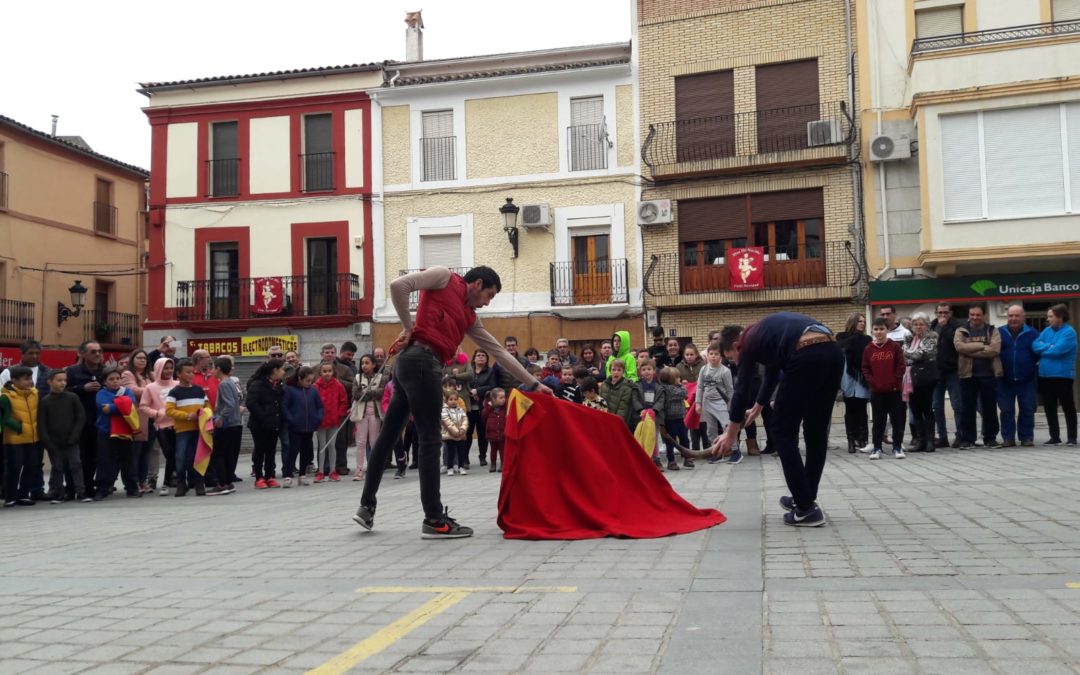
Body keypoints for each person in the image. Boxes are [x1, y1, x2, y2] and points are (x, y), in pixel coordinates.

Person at [353, 265, 550, 540]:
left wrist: (534, 384)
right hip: (423, 363)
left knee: (387, 436)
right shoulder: (444, 277)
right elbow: (399, 286)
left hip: (409, 364)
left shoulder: (470, 318)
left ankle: (366, 507)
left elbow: (499, 352)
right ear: (477, 284)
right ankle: (434, 520)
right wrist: (408, 327)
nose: (487, 303)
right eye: (489, 295)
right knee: (430, 440)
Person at [712, 313, 844, 528]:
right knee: (816, 430)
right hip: (833, 353)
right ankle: (805, 497)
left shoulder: (747, 341)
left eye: (731, 358)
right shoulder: (764, 333)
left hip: (806, 356)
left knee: (781, 431)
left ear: (736, 345)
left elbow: (741, 390)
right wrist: (758, 406)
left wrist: (730, 434)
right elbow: (772, 373)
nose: (735, 363)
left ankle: (806, 508)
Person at [955, 304, 1002, 449]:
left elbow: (994, 350)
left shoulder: (992, 330)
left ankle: (990, 438)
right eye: (972, 314)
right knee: (967, 409)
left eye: (978, 315)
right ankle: (967, 439)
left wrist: (970, 350)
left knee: (990, 409)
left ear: (984, 315)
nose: (975, 317)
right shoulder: (961, 331)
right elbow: (960, 347)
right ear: (969, 315)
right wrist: (982, 345)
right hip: (967, 375)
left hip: (988, 375)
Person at [39, 370, 89, 503]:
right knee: (57, 467)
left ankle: (81, 492)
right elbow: (42, 424)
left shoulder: (72, 397)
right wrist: (48, 442)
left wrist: (74, 437)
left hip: (72, 441)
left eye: (64, 380)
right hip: (54, 442)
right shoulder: (45, 401)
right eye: (59, 380)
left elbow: (81, 417)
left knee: (76, 465)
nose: (63, 383)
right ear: (50, 382)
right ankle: (58, 493)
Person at [94, 367, 142, 500]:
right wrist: (122, 404)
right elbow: (104, 408)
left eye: (118, 378)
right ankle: (102, 489)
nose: (115, 381)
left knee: (128, 460)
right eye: (111, 379)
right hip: (106, 431)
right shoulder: (101, 394)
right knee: (105, 461)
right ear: (104, 382)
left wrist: (113, 406)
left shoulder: (127, 391)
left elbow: (130, 405)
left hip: (125, 431)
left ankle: (132, 488)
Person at [165, 359, 211, 497]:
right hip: (182, 431)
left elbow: (207, 406)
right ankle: (181, 483)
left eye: (192, 372)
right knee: (181, 457)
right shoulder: (174, 392)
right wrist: (187, 416)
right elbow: (169, 410)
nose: (191, 375)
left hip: (199, 430)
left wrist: (206, 416)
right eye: (187, 372)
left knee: (197, 457)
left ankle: (199, 483)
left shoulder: (199, 390)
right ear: (178, 374)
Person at [1033, 303, 1078, 445]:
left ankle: (1071, 437)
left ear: (1060, 317)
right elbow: (1034, 345)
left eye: (1051, 316)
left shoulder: (1069, 332)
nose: (1048, 319)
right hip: (1045, 375)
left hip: (1062, 375)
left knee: (1067, 406)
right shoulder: (1047, 330)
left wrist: (1043, 349)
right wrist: (1048, 346)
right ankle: (1054, 436)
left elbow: (1057, 351)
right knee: (1049, 406)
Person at [863, 318, 907, 460]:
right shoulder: (868, 349)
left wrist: (894, 380)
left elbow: (901, 366)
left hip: (894, 390)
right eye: (876, 329)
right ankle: (877, 448)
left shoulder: (894, 347)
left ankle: (897, 447)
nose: (879, 332)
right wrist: (872, 382)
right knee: (878, 421)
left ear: (887, 330)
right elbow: (865, 368)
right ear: (872, 331)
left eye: (881, 329)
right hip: (877, 392)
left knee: (897, 420)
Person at [66, 340, 104, 502]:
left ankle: (88, 487)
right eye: (93, 351)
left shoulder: (104, 371)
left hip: (98, 420)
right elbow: (63, 390)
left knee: (93, 457)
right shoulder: (72, 371)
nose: (97, 354)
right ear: (82, 354)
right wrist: (82, 388)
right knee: (75, 458)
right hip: (77, 422)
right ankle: (70, 489)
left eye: (99, 351)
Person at [997, 304, 1038, 448]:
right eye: (1010, 316)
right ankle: (1008, 438)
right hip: (1004, 379)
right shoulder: (999, 332)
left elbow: (1037, 354)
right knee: (1006, 410)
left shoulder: (1032, 333)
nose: (1013, 318)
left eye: (1017, 316)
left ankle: (1026, 437)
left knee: (1027, 409)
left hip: (1026, 379)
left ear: (1023, 317)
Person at [1, 367, 41, 507]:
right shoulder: (6, 397)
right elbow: (4, 418)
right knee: (14, 468)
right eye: (26, 379)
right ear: (14, 380)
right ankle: (10, 496)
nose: (29, 382)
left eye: (30, 378)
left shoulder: (35, 394)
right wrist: (20, 428)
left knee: (31, 466)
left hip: (33, 438)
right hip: (14, 440)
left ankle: (24, 495)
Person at [140, 358, 176, 496]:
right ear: (158, 368)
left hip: (179, 424)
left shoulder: (177, 384)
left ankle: (171, 481)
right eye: (165, 368)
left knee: (178, 455)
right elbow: (143, 406)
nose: (169, 371)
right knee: (169, 454)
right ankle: (167, 482)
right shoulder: (150, 387)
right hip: (161, 426)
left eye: (171, 368)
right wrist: (156, 413)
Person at [282, 365, 323, 487]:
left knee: (305, 450)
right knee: (293, 450)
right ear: (300, 378)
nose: (309, 383)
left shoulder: (313, 390)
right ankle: (288, 475)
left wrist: (318, 418)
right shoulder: (290, 390)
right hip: (295, 426)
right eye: (307, 380)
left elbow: (320, 406)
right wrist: (291, 419)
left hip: (309, 426)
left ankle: (302, 475)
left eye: (311, 381)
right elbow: (284, 406)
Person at [903, 313, 938, 453]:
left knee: (926, 408)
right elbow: (906, 357)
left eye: (921, 324)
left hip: (926, 377)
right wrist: (908, 355)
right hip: (910, 377)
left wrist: (906, 354)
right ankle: (920, 440)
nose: (918, 327)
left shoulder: (932, 337)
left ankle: (930, 441)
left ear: (927, 325)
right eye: (916, 324)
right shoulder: (909, 338)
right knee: (915, 408)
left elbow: (921, 355)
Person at [247, 360, 285, 489]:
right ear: (275, 370)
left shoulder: (278, 385)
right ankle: (259, 477)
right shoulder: (257, 384)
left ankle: (270, 476)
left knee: (271, 450)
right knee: (260, 450)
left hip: (274, 423)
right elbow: (251, 403)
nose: (283, 372)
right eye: (281, 369)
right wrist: (263, 417)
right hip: (259, 424)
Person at [120, 349, 154, 493]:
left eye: (144, 358)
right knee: (135, 452)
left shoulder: (150, 375)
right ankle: (132, 483)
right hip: (137, 417)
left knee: (146, 452)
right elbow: (132, 390)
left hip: (151, 417)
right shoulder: (128, 374)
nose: (142, 360)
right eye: (139, 358)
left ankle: (142, 481)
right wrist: (152, 390)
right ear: (132, 359)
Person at [837, 313, 871, 454]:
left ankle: (863, 439)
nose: (862, 324)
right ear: (853, 322)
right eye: (859, 321)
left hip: (862, 376)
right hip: (848, 375)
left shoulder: (867, 339)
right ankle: (851, 441)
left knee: (862, 408)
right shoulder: (841, 337)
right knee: (850, 408)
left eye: (863, 321)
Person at [931, 302, 963, 448]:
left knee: (957, 404)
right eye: (940, 312)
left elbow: (955, 342)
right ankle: (942, 437)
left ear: (951, 313)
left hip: (953, 371)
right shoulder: (932, 325)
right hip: (937, 372)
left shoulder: (957, 326)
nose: (942, 315)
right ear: (936, 313)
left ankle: (960, 435)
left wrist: (944, 327)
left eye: (945, 312)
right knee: (937, 406)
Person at [208, 356, 241, 496]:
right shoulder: (230, 382)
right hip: (234, 423)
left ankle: (222, 483)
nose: (212, 371)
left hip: (227, 424)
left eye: (213, 368)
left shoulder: (224, 384)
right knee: (227, 454)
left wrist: (220, 417)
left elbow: (229, 404)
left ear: (219, 369)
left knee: (218, 454)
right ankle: (228, 482)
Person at [696, 341, 734, 456]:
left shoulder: (725, 371)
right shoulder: (703, 369)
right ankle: (715, 450)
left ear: (721, 356)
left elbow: (730, 390)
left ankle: (731, 449)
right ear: (707, 355)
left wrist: (730, 406)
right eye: (711, 354)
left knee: (727, 425)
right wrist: (698, 403)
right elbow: (700, 387)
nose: (713, 356)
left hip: (721, 402)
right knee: (710, 429)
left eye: (716, 354)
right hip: (707, 402)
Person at [314, 362, 348, 483]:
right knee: (322, 446)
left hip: (334, 420)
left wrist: (339, 414)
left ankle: (333, 471)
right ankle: (321, 471)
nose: (327, 373)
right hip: (321, 421)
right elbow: (313, 402)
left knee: (332, 445)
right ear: (320, 372)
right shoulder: (316, 386)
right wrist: (316, 417)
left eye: (329, 371)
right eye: (324, 371)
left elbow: (343, 401)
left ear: (333, 372)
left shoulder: (338, 385)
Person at [352, 355, 385, 480]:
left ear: (374, 364)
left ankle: (374, 469)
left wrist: (365, 393)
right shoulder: (357, 377)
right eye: (362, 363)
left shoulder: (380, 377)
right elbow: (356, 395)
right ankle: (359, 470)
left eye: (367, 363)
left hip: (375, 413)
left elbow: (381, 393)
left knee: (374, 442)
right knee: (360, 442)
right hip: (361, 413)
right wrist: (372, 393)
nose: (364, 366)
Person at [655, 366, 692, 471]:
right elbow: (684, 393)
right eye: (677, 377)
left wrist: (679, 385)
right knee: (671, 441)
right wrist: (682, 386)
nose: (679, 379)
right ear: (671, 380)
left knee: (685, 439)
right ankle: (671, 461)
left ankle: (687, 458)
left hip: (680, 418)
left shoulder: (673, 387)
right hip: (670, 420)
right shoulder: (669, 389)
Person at [465, 350, 497, 467]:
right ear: (474, 358)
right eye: (478, 355)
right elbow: (464, 384)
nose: (480, 357)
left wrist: (478, 391)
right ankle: (465, 458)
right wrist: (471, 392)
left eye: (483, 356)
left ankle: (482, 457)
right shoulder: (469, 370)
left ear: (487, 359)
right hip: (469, 406)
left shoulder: (490, 372)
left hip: (483, 407)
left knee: (482, 433)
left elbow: (492, 386)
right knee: (467, 433)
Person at [333, 341, 359, 476]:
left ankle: (341, 465)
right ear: (341, 352)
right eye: (348, 354)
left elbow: (355, 385)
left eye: (352, 355)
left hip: (347, 406)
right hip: (332, 407)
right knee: (335, 438)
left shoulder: (352, 367)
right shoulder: (331, 366)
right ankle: (329, 466)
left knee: (344, 439)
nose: (350, 357)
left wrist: (338, 381)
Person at [601, 359, 640, 432]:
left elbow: (622, 409)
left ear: (623, 372)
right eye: (614, 369)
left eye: (619, 370)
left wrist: (616, 422)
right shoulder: (604, 384)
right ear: (610, 371)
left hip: (615, 421)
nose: (616, 372)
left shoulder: (627, 387)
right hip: (603, 419)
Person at [441, 390, 469, 475]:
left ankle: (461, 467)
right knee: (450, 452)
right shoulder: (444, 410)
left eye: (455, 399)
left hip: (461, 435)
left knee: (461, 452)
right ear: (446, 400)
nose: (453, 401)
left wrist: (462, 429)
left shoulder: (461, 410)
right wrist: (456, 432)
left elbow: (465, 420)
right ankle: (449, 468)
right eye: (451, 399)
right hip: (450, 436)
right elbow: (447, 421)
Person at [482, 388, 508, 472]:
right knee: (493, 450)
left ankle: (503, 464)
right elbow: (483, 417)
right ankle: (493, 464)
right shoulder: (489, 409)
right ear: (493, 399)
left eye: (504, 397)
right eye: (500, 398)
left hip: (502, 433)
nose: (503, 399)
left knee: (502, 450)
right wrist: (488, 407)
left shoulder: (505, 408)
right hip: (492, 434)